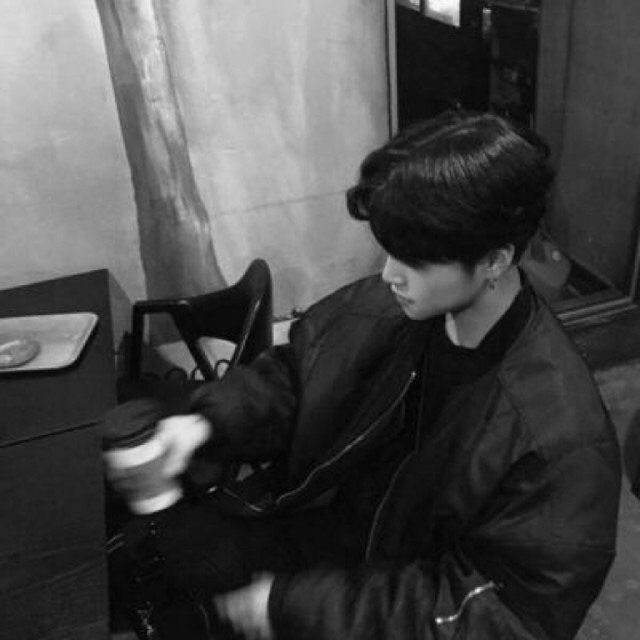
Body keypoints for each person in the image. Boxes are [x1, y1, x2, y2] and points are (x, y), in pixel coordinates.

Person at [106, 111, 621, 640]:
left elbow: (507, 618)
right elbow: (299, 373)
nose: (389, 274)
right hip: (328, 527)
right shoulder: (395, 307)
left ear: (495, 260)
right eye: (391, 251)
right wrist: (207, 424)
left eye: (416, 261)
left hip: (390, 596)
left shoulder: (561, 441)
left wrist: (292, 608)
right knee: (148, 560)